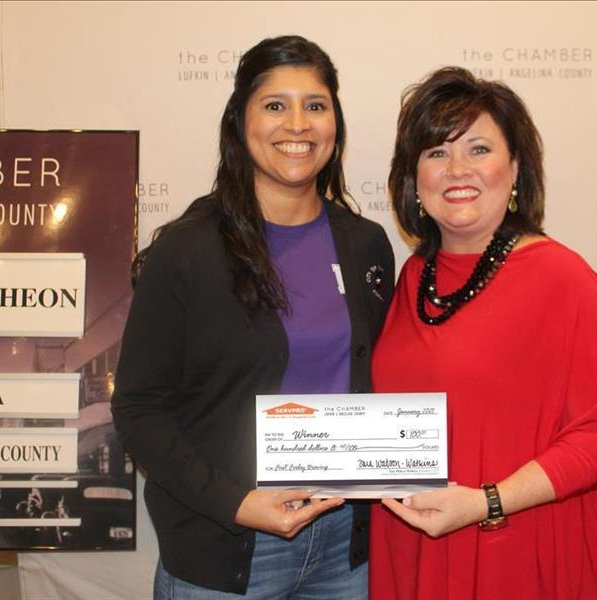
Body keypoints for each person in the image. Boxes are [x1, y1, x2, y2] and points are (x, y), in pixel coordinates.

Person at [110, 35, 394, 599]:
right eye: (274, 105)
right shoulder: (188, 251)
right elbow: (139, 409)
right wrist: (237, 504)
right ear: (240, 120)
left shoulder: (367, 245)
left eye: (315, 105)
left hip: (344, 545)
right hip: (227, 547)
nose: (298, 124)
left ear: (335, 122)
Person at [369, 67, 597, 600]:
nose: (456, 169)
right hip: (415, 548)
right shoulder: (411, 279)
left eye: (478, 149)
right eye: (435, 152)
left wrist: (487, 502)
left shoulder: (564, 281)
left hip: (510, 550)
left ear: (515, 168)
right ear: (413, 180)